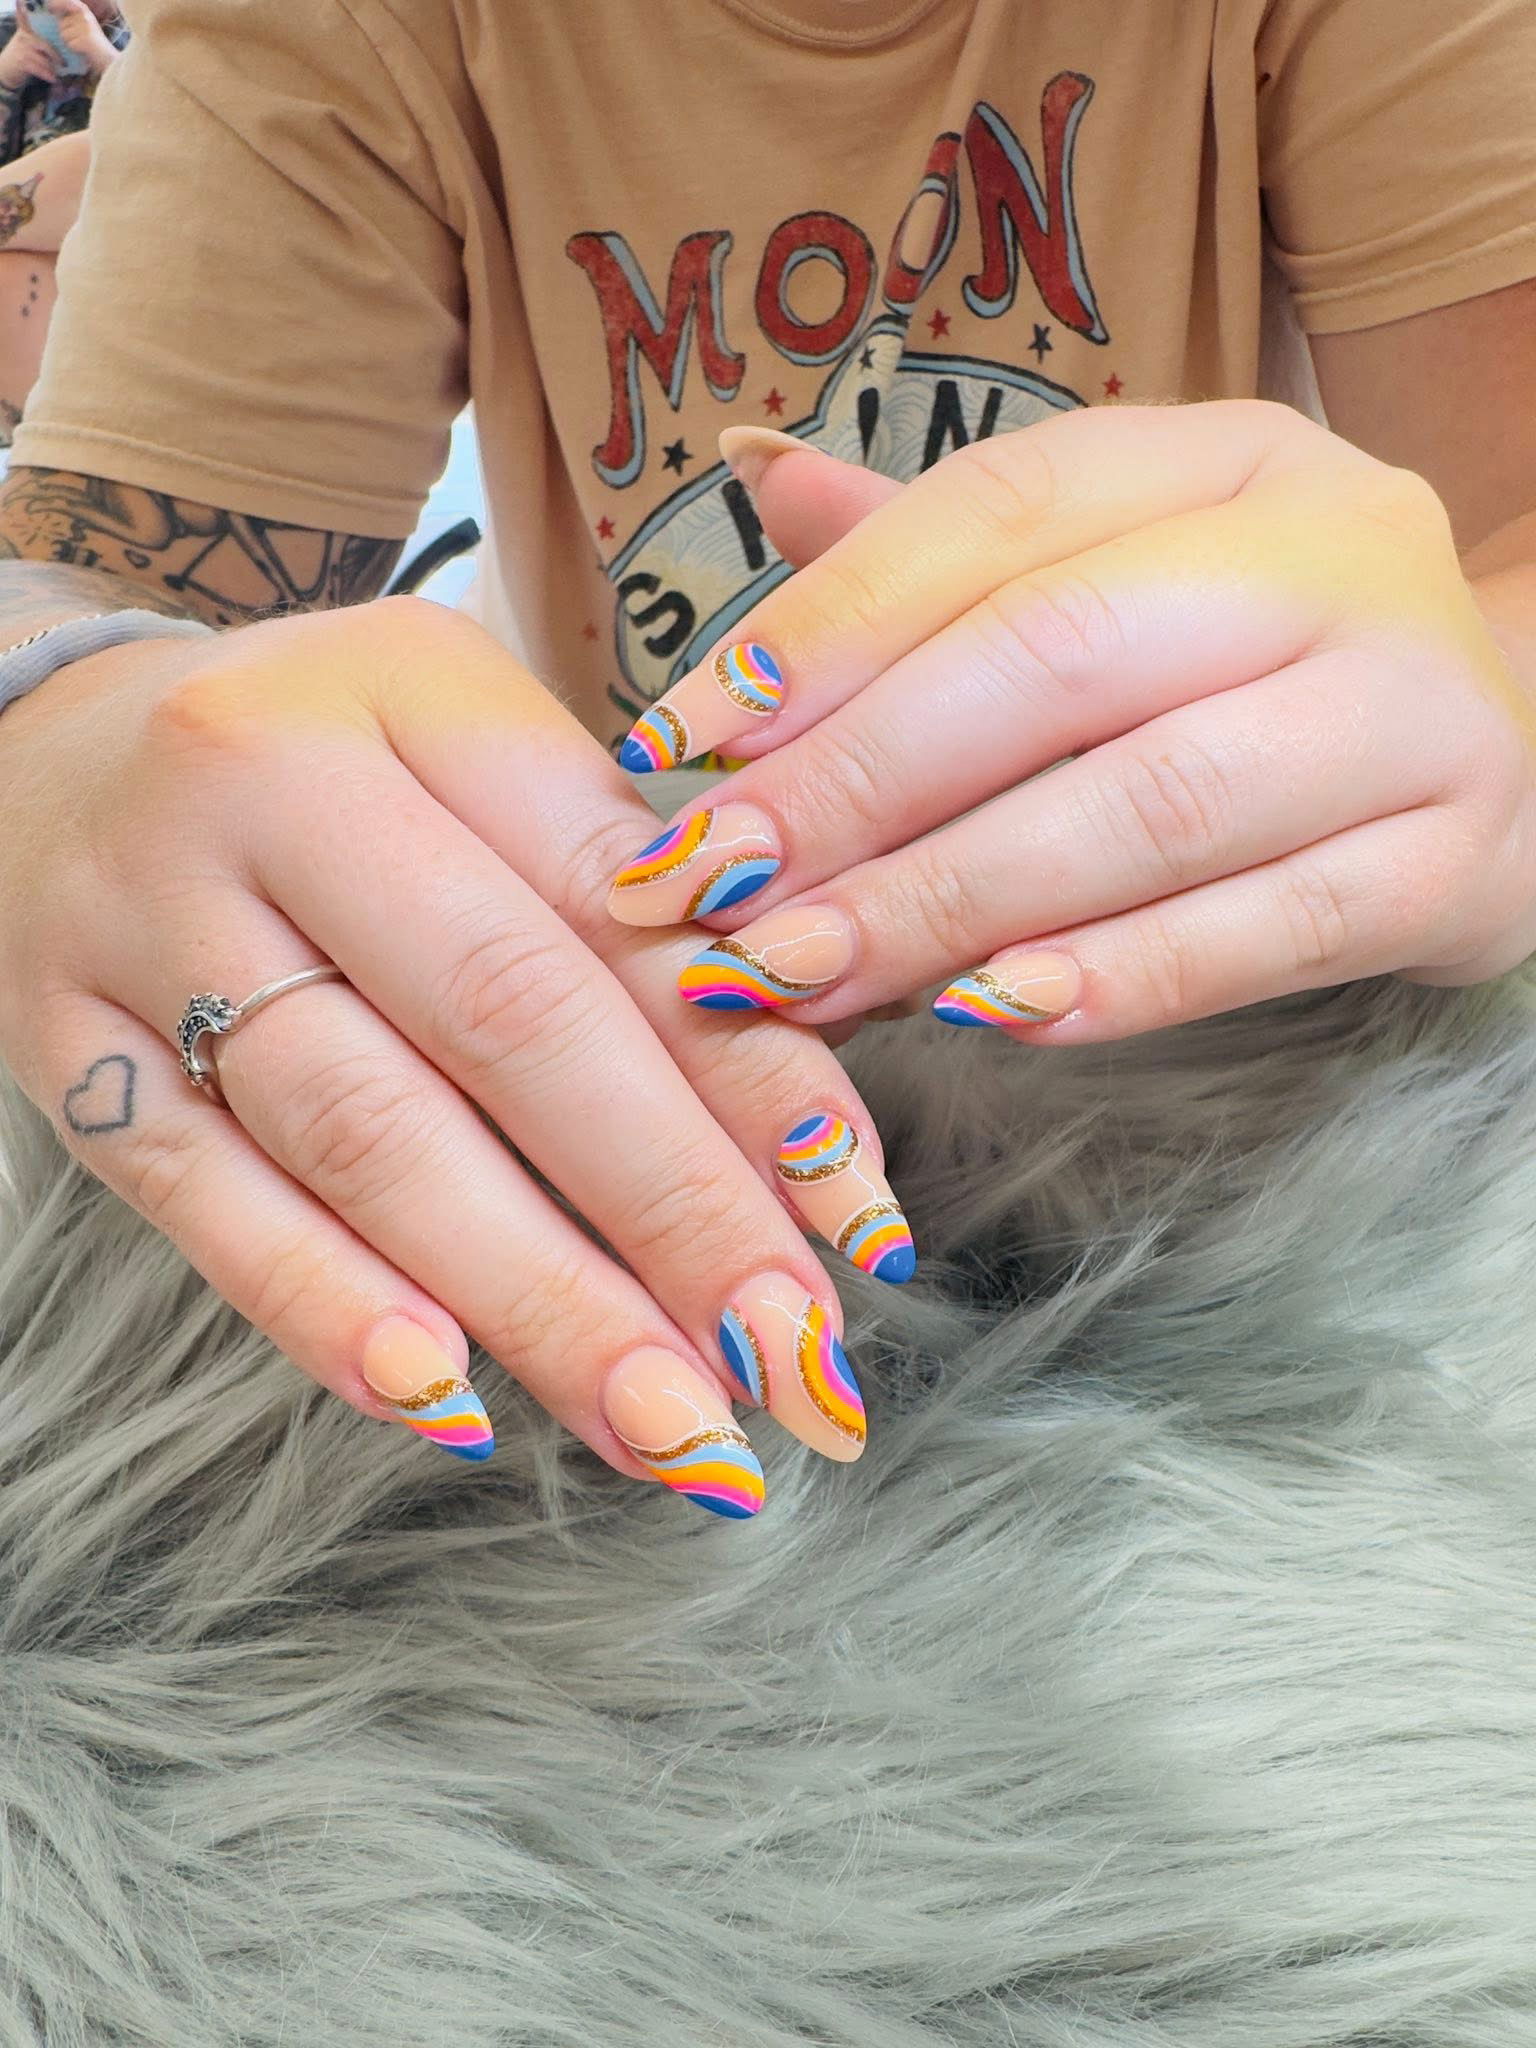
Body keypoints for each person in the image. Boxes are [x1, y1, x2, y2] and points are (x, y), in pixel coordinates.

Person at [0, 0, 1534, 1518]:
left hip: (1263, 1089)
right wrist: (63, 713)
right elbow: (91, 584)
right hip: (631, 970)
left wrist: (1498, 707)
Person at [0, 0, 125, 439]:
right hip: (25, 245)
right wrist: (5, 79)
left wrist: (107, 62)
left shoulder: (150, 39)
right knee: (11, 272)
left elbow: (169, 137)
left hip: (109, 224)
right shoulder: (8, 39)